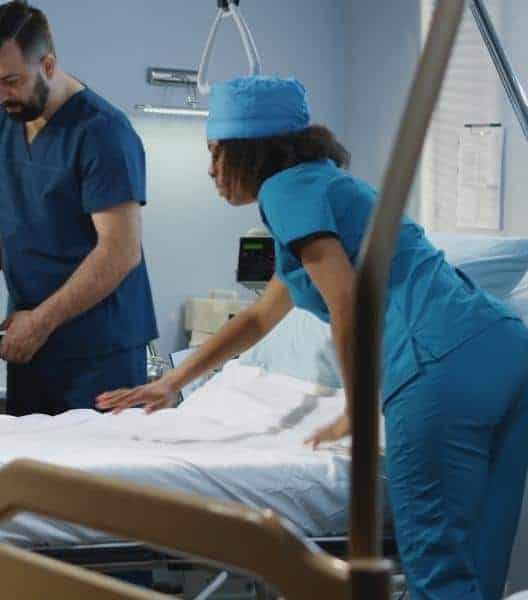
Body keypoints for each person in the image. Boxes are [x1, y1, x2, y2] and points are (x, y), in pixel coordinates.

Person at [97, 75, 528, 600]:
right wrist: (174, 381)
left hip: (433, 363)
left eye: (217, 154)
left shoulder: (284, 190)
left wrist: (356, 404)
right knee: (479, 566)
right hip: (505, 352)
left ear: (253, 151)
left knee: (438, 571)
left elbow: (347, 302)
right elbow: (259, 319)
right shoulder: (322, 189)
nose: (211, 171)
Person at [0, 1, 157, 416]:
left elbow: (120, 251)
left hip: (100, 353)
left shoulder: (102, 133)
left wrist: (41, 322)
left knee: (94, 477)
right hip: (30, 344)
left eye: (10, 80)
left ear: (47, 65)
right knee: (32, 473)